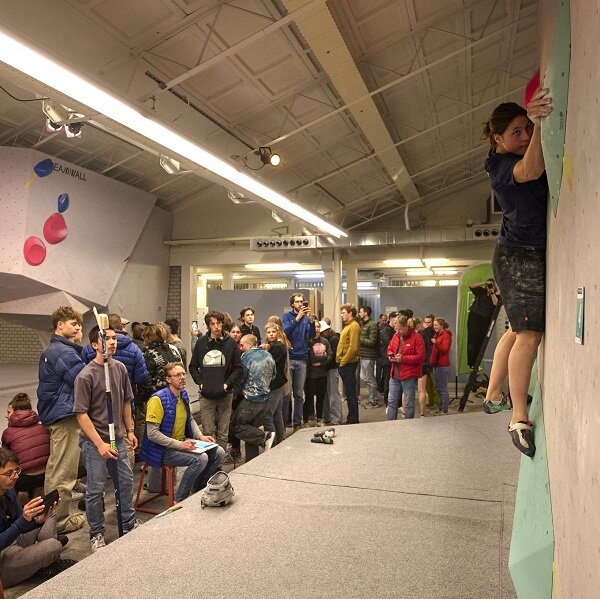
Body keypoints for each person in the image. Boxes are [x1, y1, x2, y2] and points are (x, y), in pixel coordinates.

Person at [482, 90, 552, 457]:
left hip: (521, 253)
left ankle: (494, 393)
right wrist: (540, 124)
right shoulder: (500, 165)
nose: (524, 137)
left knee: (515, 328)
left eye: (526, 129)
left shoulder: (515, 152)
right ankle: (518, 417)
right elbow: (533, 170)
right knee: (529, 334)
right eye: (516, 132)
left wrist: (535, 124)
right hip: (517, 257)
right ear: (498, 139)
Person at [73, 326, 140, 552]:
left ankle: (129, 523)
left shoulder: (120, 368)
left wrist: (130, 430)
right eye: (107, 339)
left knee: (125, 480)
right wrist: (100, 444)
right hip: (95, 443)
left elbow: (125, 401)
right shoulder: (85, 375)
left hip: (118, 439)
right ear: (94, 345)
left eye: (114, 338)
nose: (112, 342)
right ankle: (97, 533)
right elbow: (81, 414)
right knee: (95, 490)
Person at [139, 362, 225, 502]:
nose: (182, 377)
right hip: (161, 449)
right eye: (177, 375)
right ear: (168, 379)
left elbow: (190, 419)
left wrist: (200, 436)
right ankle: (180, 499)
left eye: (183, 374)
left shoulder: (183, 395)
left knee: (219, 452)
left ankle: (197, 489)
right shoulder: (157, 399)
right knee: (200, 459)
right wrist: (179, 445)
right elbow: (152, 434)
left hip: (181, 442)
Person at [36, 306, 86, 534]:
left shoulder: (60, 349)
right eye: (74, 324)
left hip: (59, 413)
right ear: (60, 325)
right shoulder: (62, 352)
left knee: (57, 468)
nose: (77, 328)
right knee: (63, 473)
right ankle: (60, 521)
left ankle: (51, 518)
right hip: (64, 416)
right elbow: (84, 379)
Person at [0, 448, 76, 588]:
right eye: (8, 473)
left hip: (13, 542)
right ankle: (44, 557)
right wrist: (22, 522)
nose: (15, 476)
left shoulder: (9, 491)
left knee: (48, 512)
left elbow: (19, 523)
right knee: (53, 545)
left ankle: (42, 558)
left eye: (17, 471)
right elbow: (17, 527)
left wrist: (36, 521)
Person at [189, 310, 243, 451]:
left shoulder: (230, 343)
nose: (216, 327)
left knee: (223, 433)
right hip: (206, 394)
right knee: (207, 432)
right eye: (213, 324)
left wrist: (227, 384)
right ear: (208, 326)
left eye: (219, 323)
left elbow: (239, 368)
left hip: (225, 394)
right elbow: (193, 366)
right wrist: (200, 382)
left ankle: (218, 464)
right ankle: (209, 462)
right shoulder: (201, 343)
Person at [133, 323, 183, 454]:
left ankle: (150, 456)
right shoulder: (173, 350)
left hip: (155, 398)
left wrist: (141, 398)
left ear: (148, 337)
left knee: (154, 430)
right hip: (174, 395)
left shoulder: (148, 354)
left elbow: (145, 379)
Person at [230, 335, 276, 462]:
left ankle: (264, 437)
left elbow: (241, 376)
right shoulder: (269, 356)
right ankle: (252, 461)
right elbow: (273, 375)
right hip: (265, 398)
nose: (241, 347)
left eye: (242, 345)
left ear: (250, 345)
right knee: (251, 428)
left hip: (251, 398)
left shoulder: (246, 356)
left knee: (235, 425)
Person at [2, 393, 49, 499]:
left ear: (16, 413)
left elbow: (5, 458)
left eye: (9, 412)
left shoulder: (8, 433)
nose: (6, 415)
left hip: (23, 479)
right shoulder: (44, 427)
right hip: (45, 476)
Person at [283, 294, 316, 431]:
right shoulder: (287, 317)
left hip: (302, 359)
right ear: (292, 304)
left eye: (302, 302)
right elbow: (285, 332)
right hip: (290, 358)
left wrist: (312, 322)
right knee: (286, 394)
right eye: (297, 302)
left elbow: (312, 335)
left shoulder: (306, 318)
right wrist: (297, 318)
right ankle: (284, 423)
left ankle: (297, 423)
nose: (300, 304)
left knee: (298, 394)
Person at [386, 316, 425, 420]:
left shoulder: (417, 337)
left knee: (409, 403)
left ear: (406, 326)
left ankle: (408, 426)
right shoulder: (396, 335)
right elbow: (390, 348)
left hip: (409, 376)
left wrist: (403, 359)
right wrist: (390, 355)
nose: (397, 331)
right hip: (395, 375)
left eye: (399, 328)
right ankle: (390, 424)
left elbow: (421, 357)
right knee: (391, 401)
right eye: (396, 328)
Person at [303, 320, 332, 426]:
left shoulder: (325, 341)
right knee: (309, 398)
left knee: (321, 397)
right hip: (311, 375)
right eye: (314, 327)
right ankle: (305, 420)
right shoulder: (308, 342)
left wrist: (320, 362)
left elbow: (330, 356)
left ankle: (320, 419)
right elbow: (312, 358)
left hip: (322, 374)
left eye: (318, 327)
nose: (316, 329)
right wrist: (323, 357)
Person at [264, 322, 288, 444]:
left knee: (268, 414)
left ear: (277, 333)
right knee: (277, 414)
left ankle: (271, 442)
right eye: (269, 332)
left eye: (273, 332)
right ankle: (280, 439)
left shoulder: (278, 346)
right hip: (274, 383)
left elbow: (268, 362)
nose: (271, 334)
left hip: (275, 384)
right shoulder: (269, 346)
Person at [336, 304, 361, 425]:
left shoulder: (354, 326)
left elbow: (354, 348)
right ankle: (351, 417)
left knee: (351, 393)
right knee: (349, 393)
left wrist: (343, 362)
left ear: (350, 313)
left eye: (343, 313)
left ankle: (353, 419)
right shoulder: (348, 326)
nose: (342, 315)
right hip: (345, 363)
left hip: (348, 364)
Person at [467, 279, 499, 368]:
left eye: (492, 284)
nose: (490, 286)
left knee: (481, 341)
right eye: (489, 285)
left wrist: (492, 292)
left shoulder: (496, 295)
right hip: (475, 316)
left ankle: (476, 363)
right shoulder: (481, 292)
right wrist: (484, 282)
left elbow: (496, 304)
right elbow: (471, 285)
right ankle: (471, 363)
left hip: (485, 319)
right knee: (472, 340)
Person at [320, 319, 341, 426]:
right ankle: (327, 417)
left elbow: (333, 357)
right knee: (326, 395)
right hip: (327, 369)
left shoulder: (333, 339)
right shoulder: (330, 338)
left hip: (332, 369)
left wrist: (322, 363)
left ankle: (335, 419)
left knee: (333, 394)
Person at [358, 306, 380, 408]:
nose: (359, 313)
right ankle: (371, 398)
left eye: (361, 312)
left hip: (369, 355)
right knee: (365, 378)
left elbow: (372, 342)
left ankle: (373, 400)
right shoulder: (363, 324)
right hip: (363, 355)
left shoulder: (372, 325)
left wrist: (359, 338)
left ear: (366, 313)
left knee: (370, 378)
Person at [430, 317, 453, 415]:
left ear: (441, 325)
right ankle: (440, 408)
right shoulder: (437, 335)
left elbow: (445, 349)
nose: (434, 327)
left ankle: (444, 410)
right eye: (433, 325)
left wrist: (436, 343)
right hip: (436, 365)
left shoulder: (446, 335)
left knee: (443, 389)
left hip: (442, 366)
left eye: (436, 325)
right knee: (438, 388)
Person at [422, 314, 440, 410]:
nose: (427, 324)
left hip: (434, 362)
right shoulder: (424, 333)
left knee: (435, 384)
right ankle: (431, 401)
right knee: (428, 384)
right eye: (426, 322)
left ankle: (437, 403)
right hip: (425, 362)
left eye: (429, 322)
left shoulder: (435, 333)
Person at [378, 312, 396, 406]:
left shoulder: (393, 330)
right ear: (392, 319)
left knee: (392, 382)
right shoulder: (386, 331)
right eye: (396, 320)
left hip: (394, 360)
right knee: (387, 383)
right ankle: (388, 402)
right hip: (387, 360)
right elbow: (390, 344)